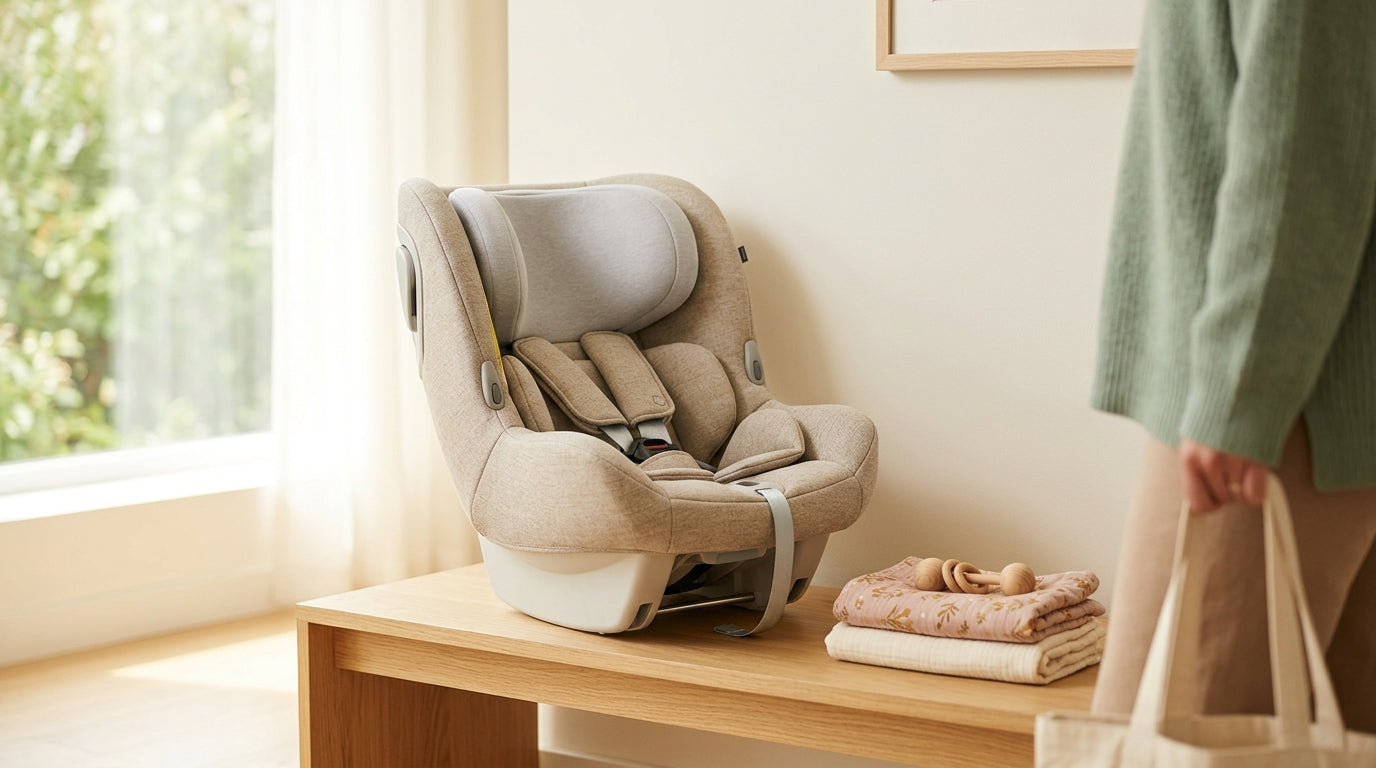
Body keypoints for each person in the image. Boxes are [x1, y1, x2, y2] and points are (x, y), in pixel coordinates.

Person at [1089, 0, 1376, 732]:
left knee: (1161, 737)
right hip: (1318, 387)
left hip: (1290, 406)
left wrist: (1239, 390)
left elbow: (1301, 133)